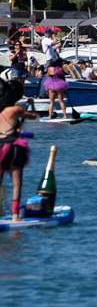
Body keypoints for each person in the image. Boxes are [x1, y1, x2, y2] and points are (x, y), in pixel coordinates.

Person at [0, 81, 33, 221]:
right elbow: (32, 116)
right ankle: (15, 215)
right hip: (12, 147)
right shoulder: (15, 110)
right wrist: (31, 105)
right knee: (16, 183)